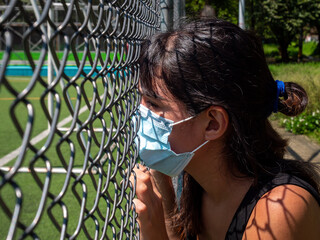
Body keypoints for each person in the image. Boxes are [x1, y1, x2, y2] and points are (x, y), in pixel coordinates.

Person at [130, 18, 320, 240]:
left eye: (153, 104)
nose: (140, 112)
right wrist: (163, 189)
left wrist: (154, 234)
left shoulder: (280, 207)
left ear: (213, 123)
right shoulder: (200, 180)